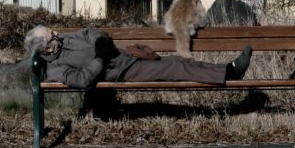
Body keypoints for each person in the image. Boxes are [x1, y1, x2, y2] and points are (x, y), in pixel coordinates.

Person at [24, 25, 253, 88]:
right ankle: (230, 72)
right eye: (52, 35)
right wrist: (100, 59)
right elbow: (82, 80)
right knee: (175, 68)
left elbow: (89, 31)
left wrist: (100, 41)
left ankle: (228, 71)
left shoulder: (65, 39)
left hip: (126, 57)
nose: (57, 33)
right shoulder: (55, 69)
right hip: (121, 72)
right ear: (46, 48)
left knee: (179, 61)